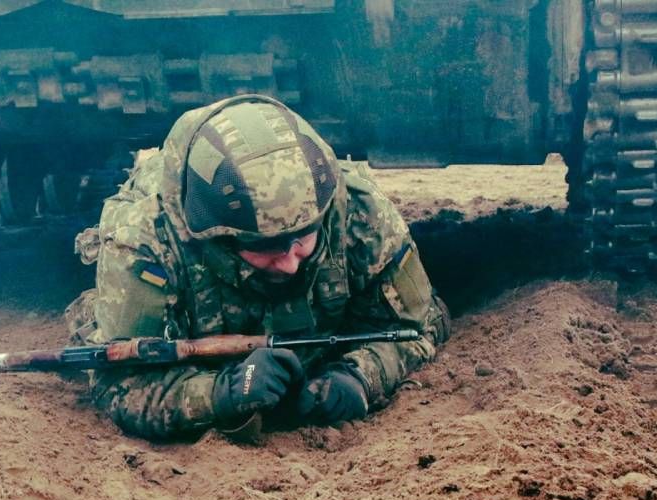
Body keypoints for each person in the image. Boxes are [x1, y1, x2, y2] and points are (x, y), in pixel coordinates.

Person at [69, 94, 449, 440]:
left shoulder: (361, 212)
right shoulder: (145, 242)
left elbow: (422, 323)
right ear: (220, 238)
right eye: (267, 248)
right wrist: (219, 394)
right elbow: (119, 385)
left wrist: (363, 375)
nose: (289, 264)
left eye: (303, 240)